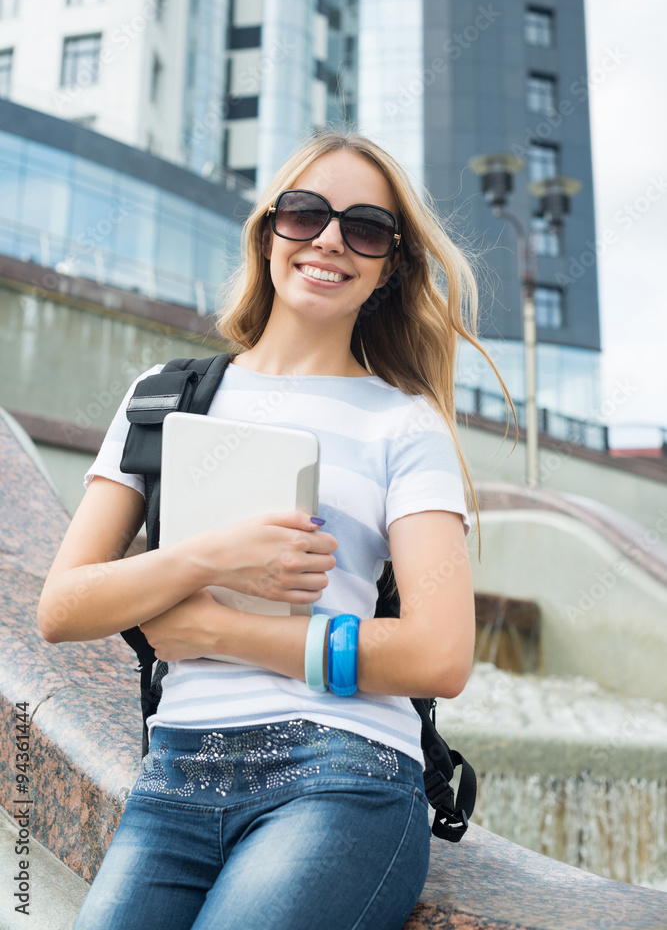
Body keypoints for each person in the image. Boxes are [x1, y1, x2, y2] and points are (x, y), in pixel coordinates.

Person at [38, 130, 512, 930]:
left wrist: (213, 627)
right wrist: (209, 556)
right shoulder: (161, 398)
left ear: (389, 265)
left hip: (343, 773)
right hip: (176, 780)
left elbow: (439, 653)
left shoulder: (406, 425)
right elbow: (63, 607)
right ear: (267, 233)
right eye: (304, 214)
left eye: (365, 228)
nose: (329, 239)